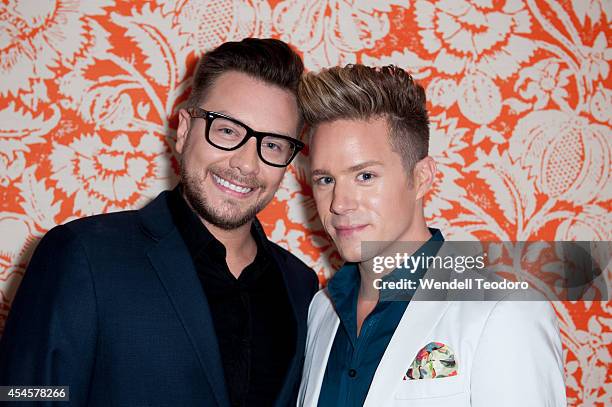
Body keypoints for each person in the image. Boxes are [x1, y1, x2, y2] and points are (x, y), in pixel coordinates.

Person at [0, 38, 319, 407]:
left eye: (274, 145)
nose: (247, 164)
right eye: (228, 130)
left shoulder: (301, 285)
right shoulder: (83, 255)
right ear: (184, 130)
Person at [296, 64, 566, 406]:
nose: (339, 204)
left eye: (364, 176)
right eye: (326, 180)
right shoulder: (321, 310)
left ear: (421, 177)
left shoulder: (505, 313)